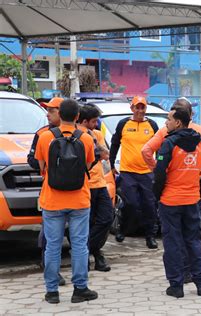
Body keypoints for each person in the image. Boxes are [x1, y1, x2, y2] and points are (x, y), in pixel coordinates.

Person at [35, 99, 98, 304]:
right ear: (78, 117)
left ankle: (52, 292)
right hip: (79, 199)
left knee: (52, 245)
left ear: (59, 115)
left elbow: (42, 167)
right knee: (79, 245)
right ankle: (80, 289)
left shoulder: (45, 137)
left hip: (52, 199)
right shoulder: (86, 138)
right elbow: (88, 165)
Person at [141, 98, 201, 265]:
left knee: (174, 235)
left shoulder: (165, 132)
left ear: (177, 120)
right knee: (193, 232)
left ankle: (181, 271)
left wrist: (160, 171)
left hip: (171, 193)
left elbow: (146, 151)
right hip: (193, 191)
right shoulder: (200, 132)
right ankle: (196, 265)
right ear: (191, 114)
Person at [153, 106, 201, 298]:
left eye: (169, 119)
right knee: (193, 241)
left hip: (170, 201)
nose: (166, 122)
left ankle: (176, 286)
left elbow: (159, 174)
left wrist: (158, 195)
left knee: (172, 242)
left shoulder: (168, 144)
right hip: (192, 201)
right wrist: (199, 192)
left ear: (178, 122)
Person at [109, 96, 159, 249]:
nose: (139, 110)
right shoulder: (123, 124)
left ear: (145, 109)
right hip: (128, 172)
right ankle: (123, 229)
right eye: (137, 107)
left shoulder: (152, 125)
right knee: (131, 203)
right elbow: (115, 144)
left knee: (149, 205)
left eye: (142, 107)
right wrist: (111, 164)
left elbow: (161, 146)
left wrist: (160, 166)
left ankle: (150, 236)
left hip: (147, 173)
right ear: (132, 108)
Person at [27, 97, 66, 287]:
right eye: (48, 110)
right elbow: (32, 160)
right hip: (50, 190)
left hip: (76, 191)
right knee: (50, 234)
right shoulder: (42, 134)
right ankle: (51, 270)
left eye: (52, 110)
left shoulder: (77, 133)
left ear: (62, 112)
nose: (48, 114)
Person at [77, 105, 114, 272]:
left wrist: (93, 138)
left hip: (100, 183)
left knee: (106, 218)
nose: (96, 123)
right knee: (88, 222)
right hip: (86, 185)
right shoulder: (77, 135)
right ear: (84, 121)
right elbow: (96, 154)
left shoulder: (96, 134)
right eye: (93, 121)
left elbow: (105, 154)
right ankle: (93, 255)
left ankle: (90, 250)